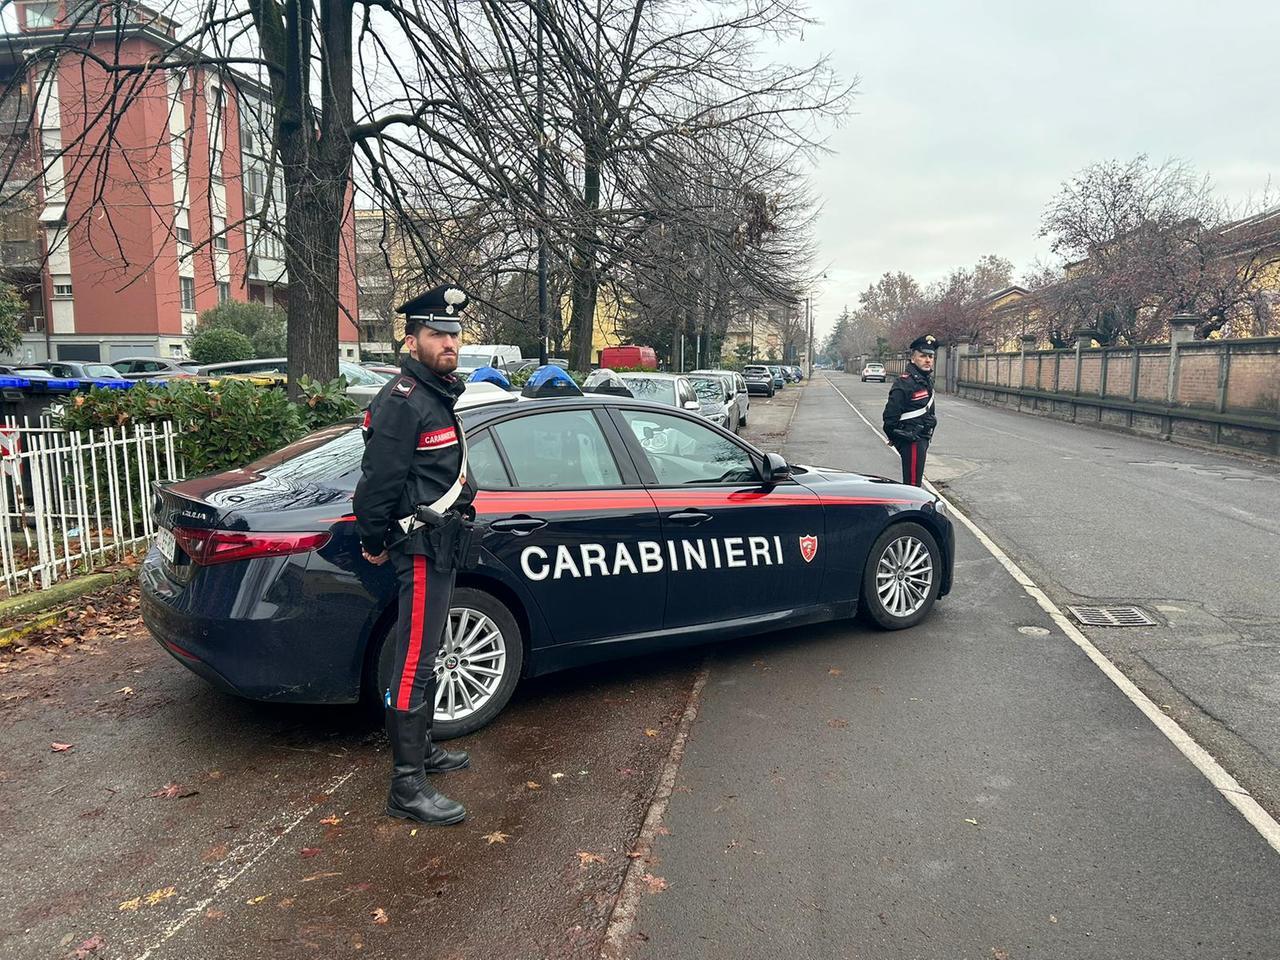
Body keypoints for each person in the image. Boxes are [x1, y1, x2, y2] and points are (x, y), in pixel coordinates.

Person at [354, 284, 474, 826]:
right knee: (414, 664)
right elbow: (377, 483)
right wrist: (374, 540)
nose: (449, 342)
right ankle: (406, 786)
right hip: (419, 548)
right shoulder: (403, 400)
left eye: (453, 333)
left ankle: (422, 750)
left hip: (442, 541)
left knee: (423, 652)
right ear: (412, 339)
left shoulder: (437, 394)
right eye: (437, 334)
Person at [882, 334, 938, 486]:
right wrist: (900, 437)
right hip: (912, 440)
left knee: (915, 485)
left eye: (931, 356)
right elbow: (889, 417)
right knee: (912, 486)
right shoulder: (905, 382)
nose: (928, 360)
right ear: (913, 359)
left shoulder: (925, 380)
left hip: (922, 438)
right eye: (923, 356)